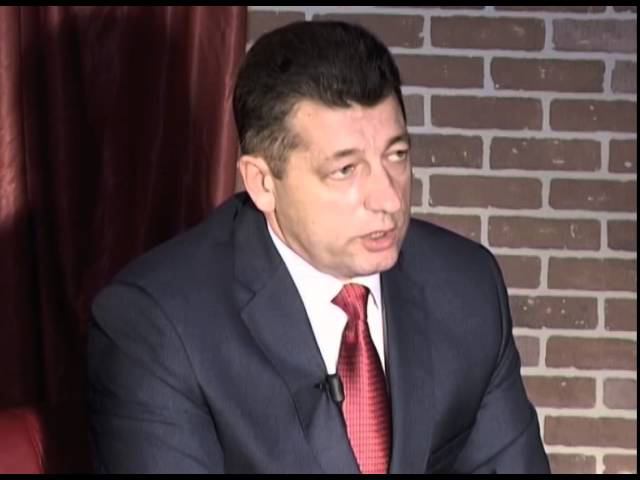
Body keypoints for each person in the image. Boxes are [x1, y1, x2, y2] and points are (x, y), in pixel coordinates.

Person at [87, 20, 551, 474]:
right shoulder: (157, 325)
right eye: (345, 170)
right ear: (262, 182)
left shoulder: (467, 287)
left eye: (396, 155)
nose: (389, 199)